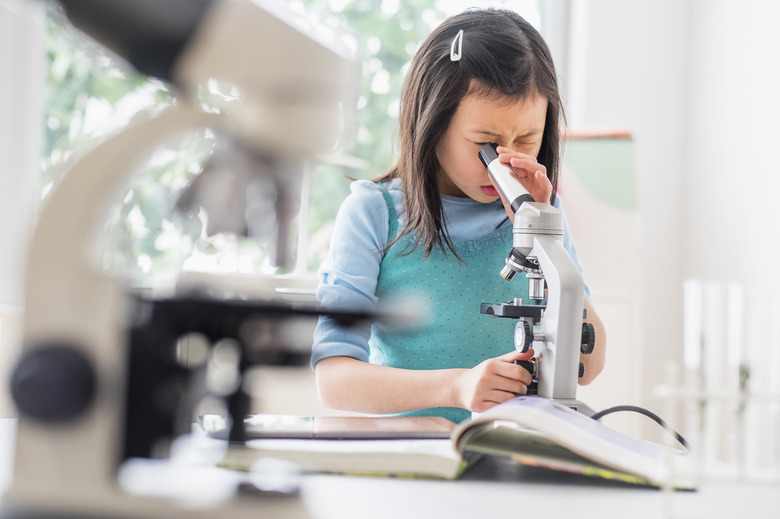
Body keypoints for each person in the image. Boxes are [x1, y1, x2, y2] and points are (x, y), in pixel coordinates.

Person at [311, 8, 606, 423]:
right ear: (432, 125)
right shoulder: (373, 214)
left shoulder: (542, 214)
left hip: (506, 455)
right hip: (408, 460)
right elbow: (334, 381)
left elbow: (588, 366)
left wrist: (542, 232)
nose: (505, 163)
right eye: (485, 144)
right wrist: (457, 386)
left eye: (527, 140)